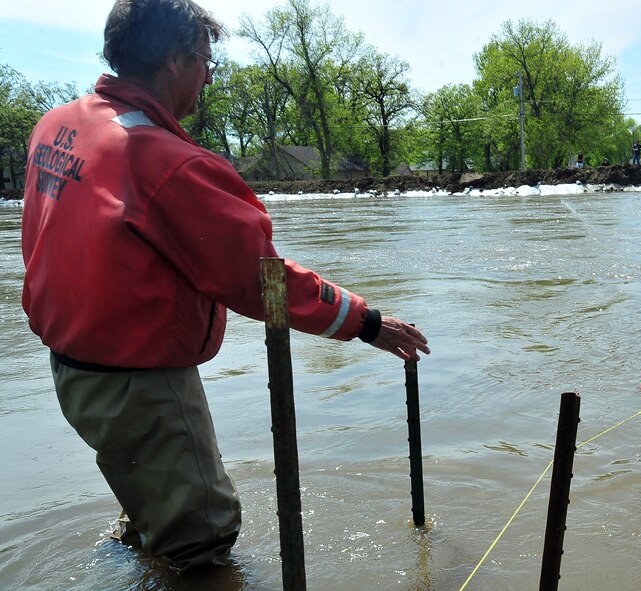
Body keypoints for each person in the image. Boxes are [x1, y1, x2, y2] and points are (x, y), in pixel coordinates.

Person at [20, 0, 430, 574]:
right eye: (205, 62)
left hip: (74, 372)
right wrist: (365, 321)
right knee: (205, 542)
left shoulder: (56, 126)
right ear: (173, 60)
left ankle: (136, 553)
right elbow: (262, 281)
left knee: (151, 513)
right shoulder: (168, 164)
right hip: (141, 385)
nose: (210, 77)